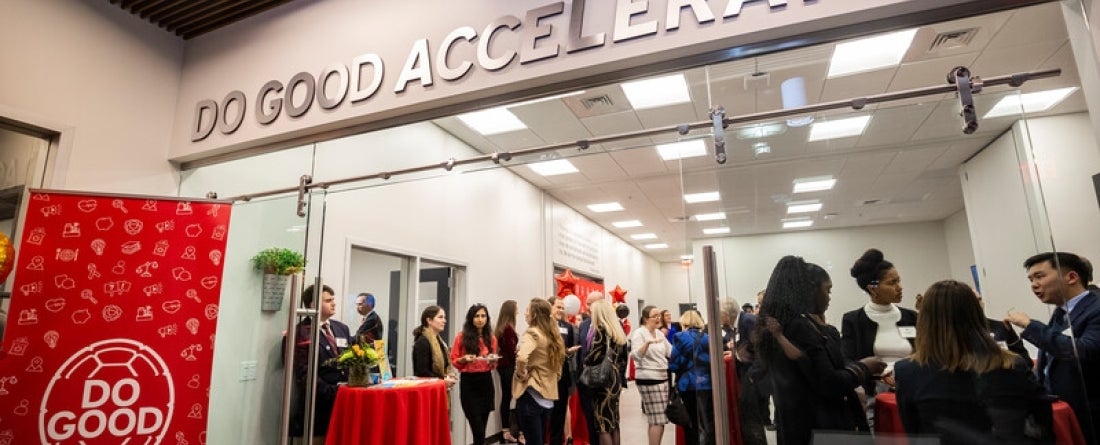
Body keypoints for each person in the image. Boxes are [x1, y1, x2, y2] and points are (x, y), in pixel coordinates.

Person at [896, 280, 1052, 445]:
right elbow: (1042, 422)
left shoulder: (908, 372)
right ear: (977, 313)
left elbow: (914, 432)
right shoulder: (1013, 364)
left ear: (925, 319)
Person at [760, 256, 884, 445]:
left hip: (799, 425)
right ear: (811, 290)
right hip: (818, 426)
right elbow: (828, 381)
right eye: (828, 290)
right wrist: (864, 368)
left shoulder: (794, 325)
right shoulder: (800, 328)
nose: (829, 297)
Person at [1006, 252, 1100, 444]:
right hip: (1066, 412)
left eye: (1040, 276)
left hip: (1092, 415)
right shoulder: (1061, 312)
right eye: (1031, 279)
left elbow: (1083, 350)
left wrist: (1031, 326)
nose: (1033, 284)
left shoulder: (1096, 309)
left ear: (1071, 277)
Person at [841, 248, 916, 410]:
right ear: (872, 288)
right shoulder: (853, 320)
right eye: (892, 283)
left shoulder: (911, 317)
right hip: (876, 395)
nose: (900, 287)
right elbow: (847, 359)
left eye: (899, 280)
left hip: (913, 389)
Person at [290, 284, 354, 444]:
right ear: (313, 305)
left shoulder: (342, 328)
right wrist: (333, 391)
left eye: (333, 299)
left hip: (344, 406)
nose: (334, 303)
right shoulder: (301, 332)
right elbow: (303, 373)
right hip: (317, 411)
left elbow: (352, 359)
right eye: (328, 300)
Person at [514, 298, 566, 445]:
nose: (525, 314)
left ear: (534, 314)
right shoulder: (552, 335)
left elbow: (522, 357)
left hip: (531, 394)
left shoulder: (533, 333)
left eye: (527, 310)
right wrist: (553, 377)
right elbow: (560, 362)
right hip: (547, 398)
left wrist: (520, 373)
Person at [451, 303, 499, 445]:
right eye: (477, 316)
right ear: (471, 318)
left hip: (485, 382)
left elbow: (493, 363)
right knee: (477, 429)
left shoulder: (491, 338)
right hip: (469, 383)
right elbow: (454, 360)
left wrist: (492, 360)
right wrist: (464, 359)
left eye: (483, 316)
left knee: (481, 430)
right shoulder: (461, 337)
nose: (480, 319)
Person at [584, 299, 629, 445]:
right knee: (614, 422)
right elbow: (623, 358)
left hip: (603, 381)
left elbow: (594, 356)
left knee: (602, 423)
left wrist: (585, 359)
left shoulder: (601, 330)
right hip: (615, 378)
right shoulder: (617, 330)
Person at [669, 310, 715, 445]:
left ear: (684, 322)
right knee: (706, 421)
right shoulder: (708, 337)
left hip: (687, 385)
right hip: (707, 384)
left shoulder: (679, 337)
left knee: (690, 423)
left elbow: (674, 365)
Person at [629, 305, 672, 445]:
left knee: (657, 419)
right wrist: (647, 343)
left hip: (662, 377)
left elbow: (670, 352)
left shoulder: (659, 334)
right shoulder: (639, 333)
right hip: (649, 378)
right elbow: (635, 356)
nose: (658, 318)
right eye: (655, 316)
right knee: (658, 419)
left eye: (659, 315)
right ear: (646, 319)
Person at [549, 297, 582, 445]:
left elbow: (567, 348)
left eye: (563, 308)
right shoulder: (544, 326)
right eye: (558, 307)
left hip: (563, 374)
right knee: (546, 412)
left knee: (560, 411)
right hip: (547, 374)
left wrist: (569, 352)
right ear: (549, 307)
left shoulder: (567, 327)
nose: (561, 310)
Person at [576, 291, 605, 442]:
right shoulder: (584, 325)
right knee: (589, 418)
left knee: (605, 422)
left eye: (591, 303)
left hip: (603, 381)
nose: (587, 307)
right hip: (585, 381)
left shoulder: (610, 324)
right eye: (586, 303)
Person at [495, 300, 521, 443]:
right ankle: (510, 430)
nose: (518, 311)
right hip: (508, 366)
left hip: (503, 366)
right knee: (511, 396)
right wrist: (517, 355)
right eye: (516, 309)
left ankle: (505, 430)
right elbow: (510, 351)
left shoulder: (502, 327)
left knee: (506, 397)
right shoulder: (508, 328)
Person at [976, 293, 1030, 362]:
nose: (980, 304)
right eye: (974, 301)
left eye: (980, 299)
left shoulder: (1001, 327)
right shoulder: (959, 334)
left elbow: (1025, 359)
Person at [411, 305, 454, 382]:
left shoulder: (439, 341)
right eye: (440, 317)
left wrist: (446, 375)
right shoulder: (423, 341)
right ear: (429, 320)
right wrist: (443, 380)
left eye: (444, 317)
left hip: (437, 387)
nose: (444, 321)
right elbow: (422, 373)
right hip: (427, 389)